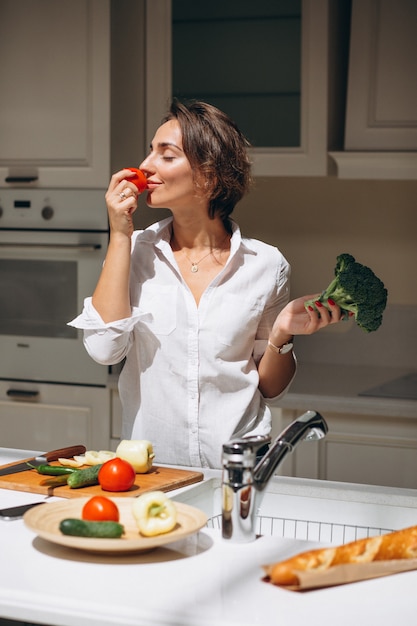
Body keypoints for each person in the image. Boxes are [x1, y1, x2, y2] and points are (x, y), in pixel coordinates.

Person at [69, 100, 344, 469]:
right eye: (150, 152)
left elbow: (270, 388)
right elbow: (104, 349)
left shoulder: (265, 265)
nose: (145, 166)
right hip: (156, 472)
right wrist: (119, 235)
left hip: (240, 470)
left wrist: (281, 335)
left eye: (166, 155)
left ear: (209, 175)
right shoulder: (134, 252)